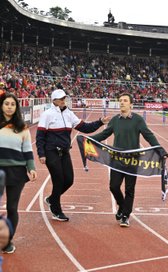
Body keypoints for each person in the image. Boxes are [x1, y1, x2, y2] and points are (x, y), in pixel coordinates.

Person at [90, 93, 168, 227]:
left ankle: (125, 215)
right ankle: (122, 206)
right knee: (113, 186)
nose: (122, 103)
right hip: (117, 159)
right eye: (120, 100)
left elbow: (149, 135)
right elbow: (104, 134)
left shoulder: (138, 120)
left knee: (129, 189)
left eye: (125, 101)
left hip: (132, 160)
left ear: (131, 105)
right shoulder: (115, 120)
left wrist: (160, 150)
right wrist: (90, 140)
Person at [36, 89, 109, 222]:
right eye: (61, 98)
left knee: (69, 180)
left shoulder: (69, 114)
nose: (64, 100)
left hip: (64, 152)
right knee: (58, 180)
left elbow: (85, 128)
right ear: (54, 101)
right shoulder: (47, 114)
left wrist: (100, 122)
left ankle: (52, 199)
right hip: (51, 152)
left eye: (65, 98)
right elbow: (40, 136)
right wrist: (41, 153)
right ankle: (56, 210)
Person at [0, 92, 37, 253]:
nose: (9, 107)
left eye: (12, 104)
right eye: (7, 103)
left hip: (16, 172)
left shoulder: (22, 127)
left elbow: (27, 150)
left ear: (16, 108)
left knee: (12, 208)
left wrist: (31, 167)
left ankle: (7, 240)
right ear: (2, 105)